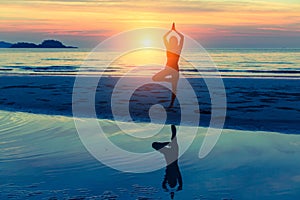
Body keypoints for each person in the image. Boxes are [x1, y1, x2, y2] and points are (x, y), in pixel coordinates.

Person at [152, 23, 184, 108]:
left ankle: (171, 104)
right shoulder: (168, 49)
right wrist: (170, 31)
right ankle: (168, 80)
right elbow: (164, 38)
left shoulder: (178, 49)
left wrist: (175, 31)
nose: (173, 41)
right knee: (155, 78)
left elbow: (182, 38)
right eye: (171, 40)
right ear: (170, 42)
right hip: (167, 68)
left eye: (174, 40)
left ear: (176, 42)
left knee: (174, 88)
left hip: (175, 69)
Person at [152, 125, 183, 199]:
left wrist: (166, 187)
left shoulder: (168, 175)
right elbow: (179, 178)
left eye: (169, 182)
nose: (169, 181)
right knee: (174, 138)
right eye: (170, 182)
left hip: (168, 154)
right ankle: (172, 125)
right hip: (173, 153)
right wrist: (179, 186)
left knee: (154, 145)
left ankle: (168, 143)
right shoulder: (175, 172)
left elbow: (164, 181)